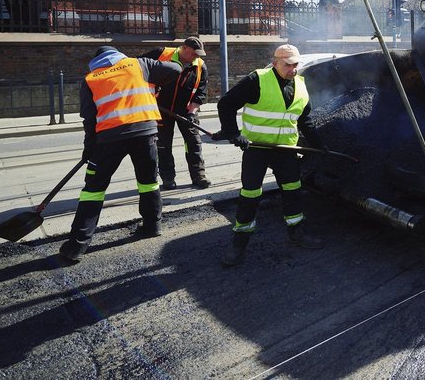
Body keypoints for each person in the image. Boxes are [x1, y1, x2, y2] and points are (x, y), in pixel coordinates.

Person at [59, 46, 181, 263]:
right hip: (145, 133)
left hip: (109, 139)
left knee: (93, 190)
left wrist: (89, 148)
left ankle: (76, 246)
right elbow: (176, 69)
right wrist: (155, 84)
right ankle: (153, 226)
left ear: (97, 61)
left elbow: (89, 119)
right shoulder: (139, 64)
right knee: (148, 182)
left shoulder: (91, 79)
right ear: (118, 56)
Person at [211, 44, 328, 266]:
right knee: (250, 194)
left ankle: (296, 232)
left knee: (293, 190)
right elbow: (226, 104)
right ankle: (239, 242)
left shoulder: (300, 85)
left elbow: (305, 120)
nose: (293, 69)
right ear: (275, 63)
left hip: (286, 150)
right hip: (257, 149)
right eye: (288, 65)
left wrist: (320, 145)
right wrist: (233, 133)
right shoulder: (257, 79)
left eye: (295, 64)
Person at [142, 37, 210, 190]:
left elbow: (200, 93)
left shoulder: (200, 66)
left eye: (198, 54)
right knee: (163, 145)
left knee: (193, 143)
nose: (196, 57)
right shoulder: (160, 54)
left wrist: (192, 113)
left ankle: (199, 176)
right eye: (194, 53)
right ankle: (168, 178)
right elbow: (137, 68)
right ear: (184, 48)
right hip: (160, 109)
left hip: (186, 110)